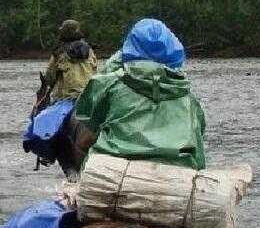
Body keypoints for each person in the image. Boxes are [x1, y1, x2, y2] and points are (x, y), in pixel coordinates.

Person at [73, 18, 206, 170]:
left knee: (83, 140)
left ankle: (76, 179)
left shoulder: (109, 84)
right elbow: (199, 137)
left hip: (115, 170)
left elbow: (86, 126)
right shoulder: (189, 98)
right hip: (180, 171)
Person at [41, 19, 97, 104]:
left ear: (64, 32)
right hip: (88, 95)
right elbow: (95, 70)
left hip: (67, 98)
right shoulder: (89, 50)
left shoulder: (59, 53)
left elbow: (49, 77)